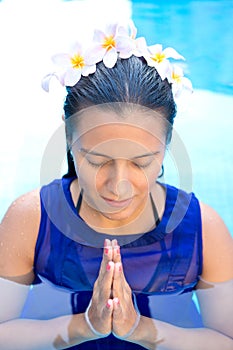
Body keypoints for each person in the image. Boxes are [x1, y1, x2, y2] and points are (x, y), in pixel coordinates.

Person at [0, 20, 232, 350]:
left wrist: (140, 330)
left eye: (141, 162)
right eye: (96, 161)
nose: (118, 185)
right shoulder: (31, 219)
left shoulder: (204, 230)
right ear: (68, 137)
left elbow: (227, 340)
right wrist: (83, 327)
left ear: (166, 143)